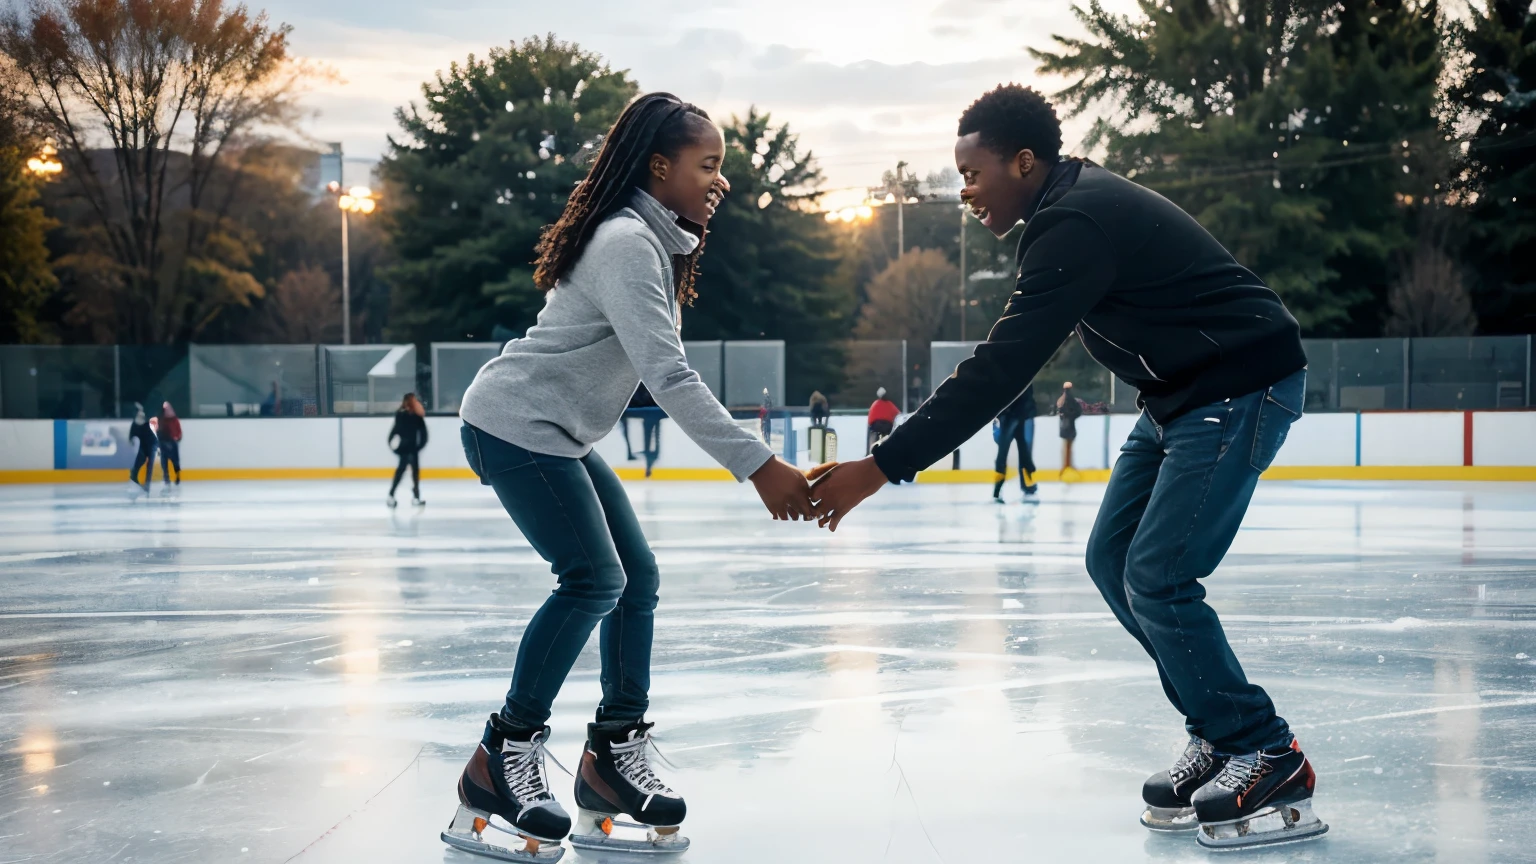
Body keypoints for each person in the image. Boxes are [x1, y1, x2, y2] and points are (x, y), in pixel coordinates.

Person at [808, 84, 1323, 850]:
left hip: (1239, 384)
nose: (966, 193)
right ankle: (1219, 733)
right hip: (1182, 396)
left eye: (973, 174)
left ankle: (1266, 751)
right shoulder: (1068, 211)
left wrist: (884, 464)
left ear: (1023, 161)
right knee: (1112, 559)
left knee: (1159, 574)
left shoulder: (1075, 222)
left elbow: (1002, 366)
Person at [449, 93, 814, 861]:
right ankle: (499, 757)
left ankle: (612, 754)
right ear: (659, 166)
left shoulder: (652, 239)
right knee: (591, 580)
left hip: (559, 433)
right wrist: (759, 464)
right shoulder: (624, 242)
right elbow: (668, 375)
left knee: (633, 578)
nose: (718, 182)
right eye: (706, 166)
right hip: (515, 425)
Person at [992, 383, 1037, 502]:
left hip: (1016, 415)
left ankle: (999, 489)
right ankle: (999, 489)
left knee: (1018, 451)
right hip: (1012, 416)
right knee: (1011, 452)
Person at [387, 393, 428, 507]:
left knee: (414, 474)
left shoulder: (416, 416)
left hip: (411, 449)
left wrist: (419, 446)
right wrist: (392, 445)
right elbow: (396, 430)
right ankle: (392, 495)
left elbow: (424, 434)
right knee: (402, 473)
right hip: (405, 449)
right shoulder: (402, 415)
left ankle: (415, 497)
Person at [1056, 381, 1084, 477]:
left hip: (1065, 426)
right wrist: (1071, 416)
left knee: (1067, 447)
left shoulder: (1061, 400)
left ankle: (1067, 465)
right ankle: (1067, 465)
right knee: (1068, 447)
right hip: (1069, 426)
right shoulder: (1072, 400)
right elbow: (1078, 411)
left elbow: (1060, 411)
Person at [127, 403, 156, 492]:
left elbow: (155, 434)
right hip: (143, 446)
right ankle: (134, 475)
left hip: (151, 445)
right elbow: (132, 433)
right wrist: (131, 439)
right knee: (140, 461)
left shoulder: (148, 422)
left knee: (149, 465)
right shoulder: (135, 424)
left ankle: (147, 484)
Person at [866, 387, 900, 454]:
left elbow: (870, 418)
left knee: (871, 433)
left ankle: (869, 451)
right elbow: (898, 414)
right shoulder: (890, 404)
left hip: (876, 426)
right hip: (887, 427)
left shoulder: (875, 404)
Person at [158, 402, 182, 485]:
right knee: (164, 462)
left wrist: (177, 437)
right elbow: (158, 431)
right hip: (163, 442)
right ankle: (166, 477)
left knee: (175, 461)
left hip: (172, 442)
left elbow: (179, 431)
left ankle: (177, 476)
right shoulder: (161, 420)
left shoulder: (174, 420)